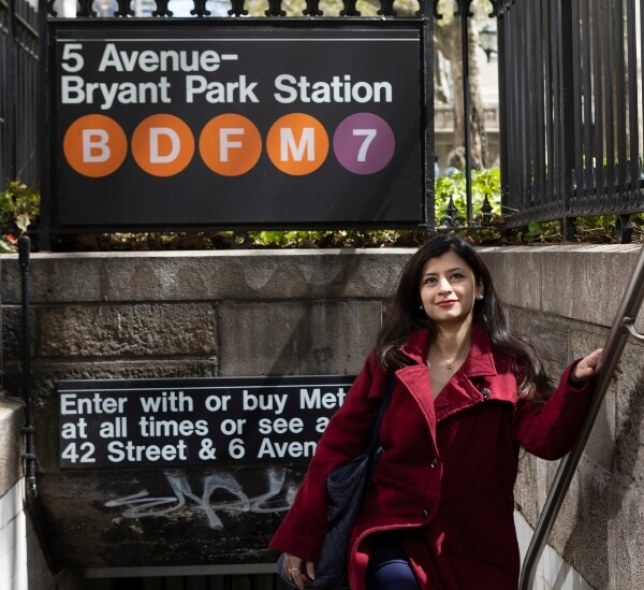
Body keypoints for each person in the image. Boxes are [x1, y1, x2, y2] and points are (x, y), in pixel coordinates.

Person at [270, 235, 604, 590]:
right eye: (431, 280)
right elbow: (337, 446)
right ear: (419, 297)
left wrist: (577, 384)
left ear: (478, 288)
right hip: (394, 529)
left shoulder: (511, 366)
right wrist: (301, 534)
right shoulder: (391, 360)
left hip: (477, 545)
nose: (444, 288)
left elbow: (545, 439)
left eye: (456, 276)